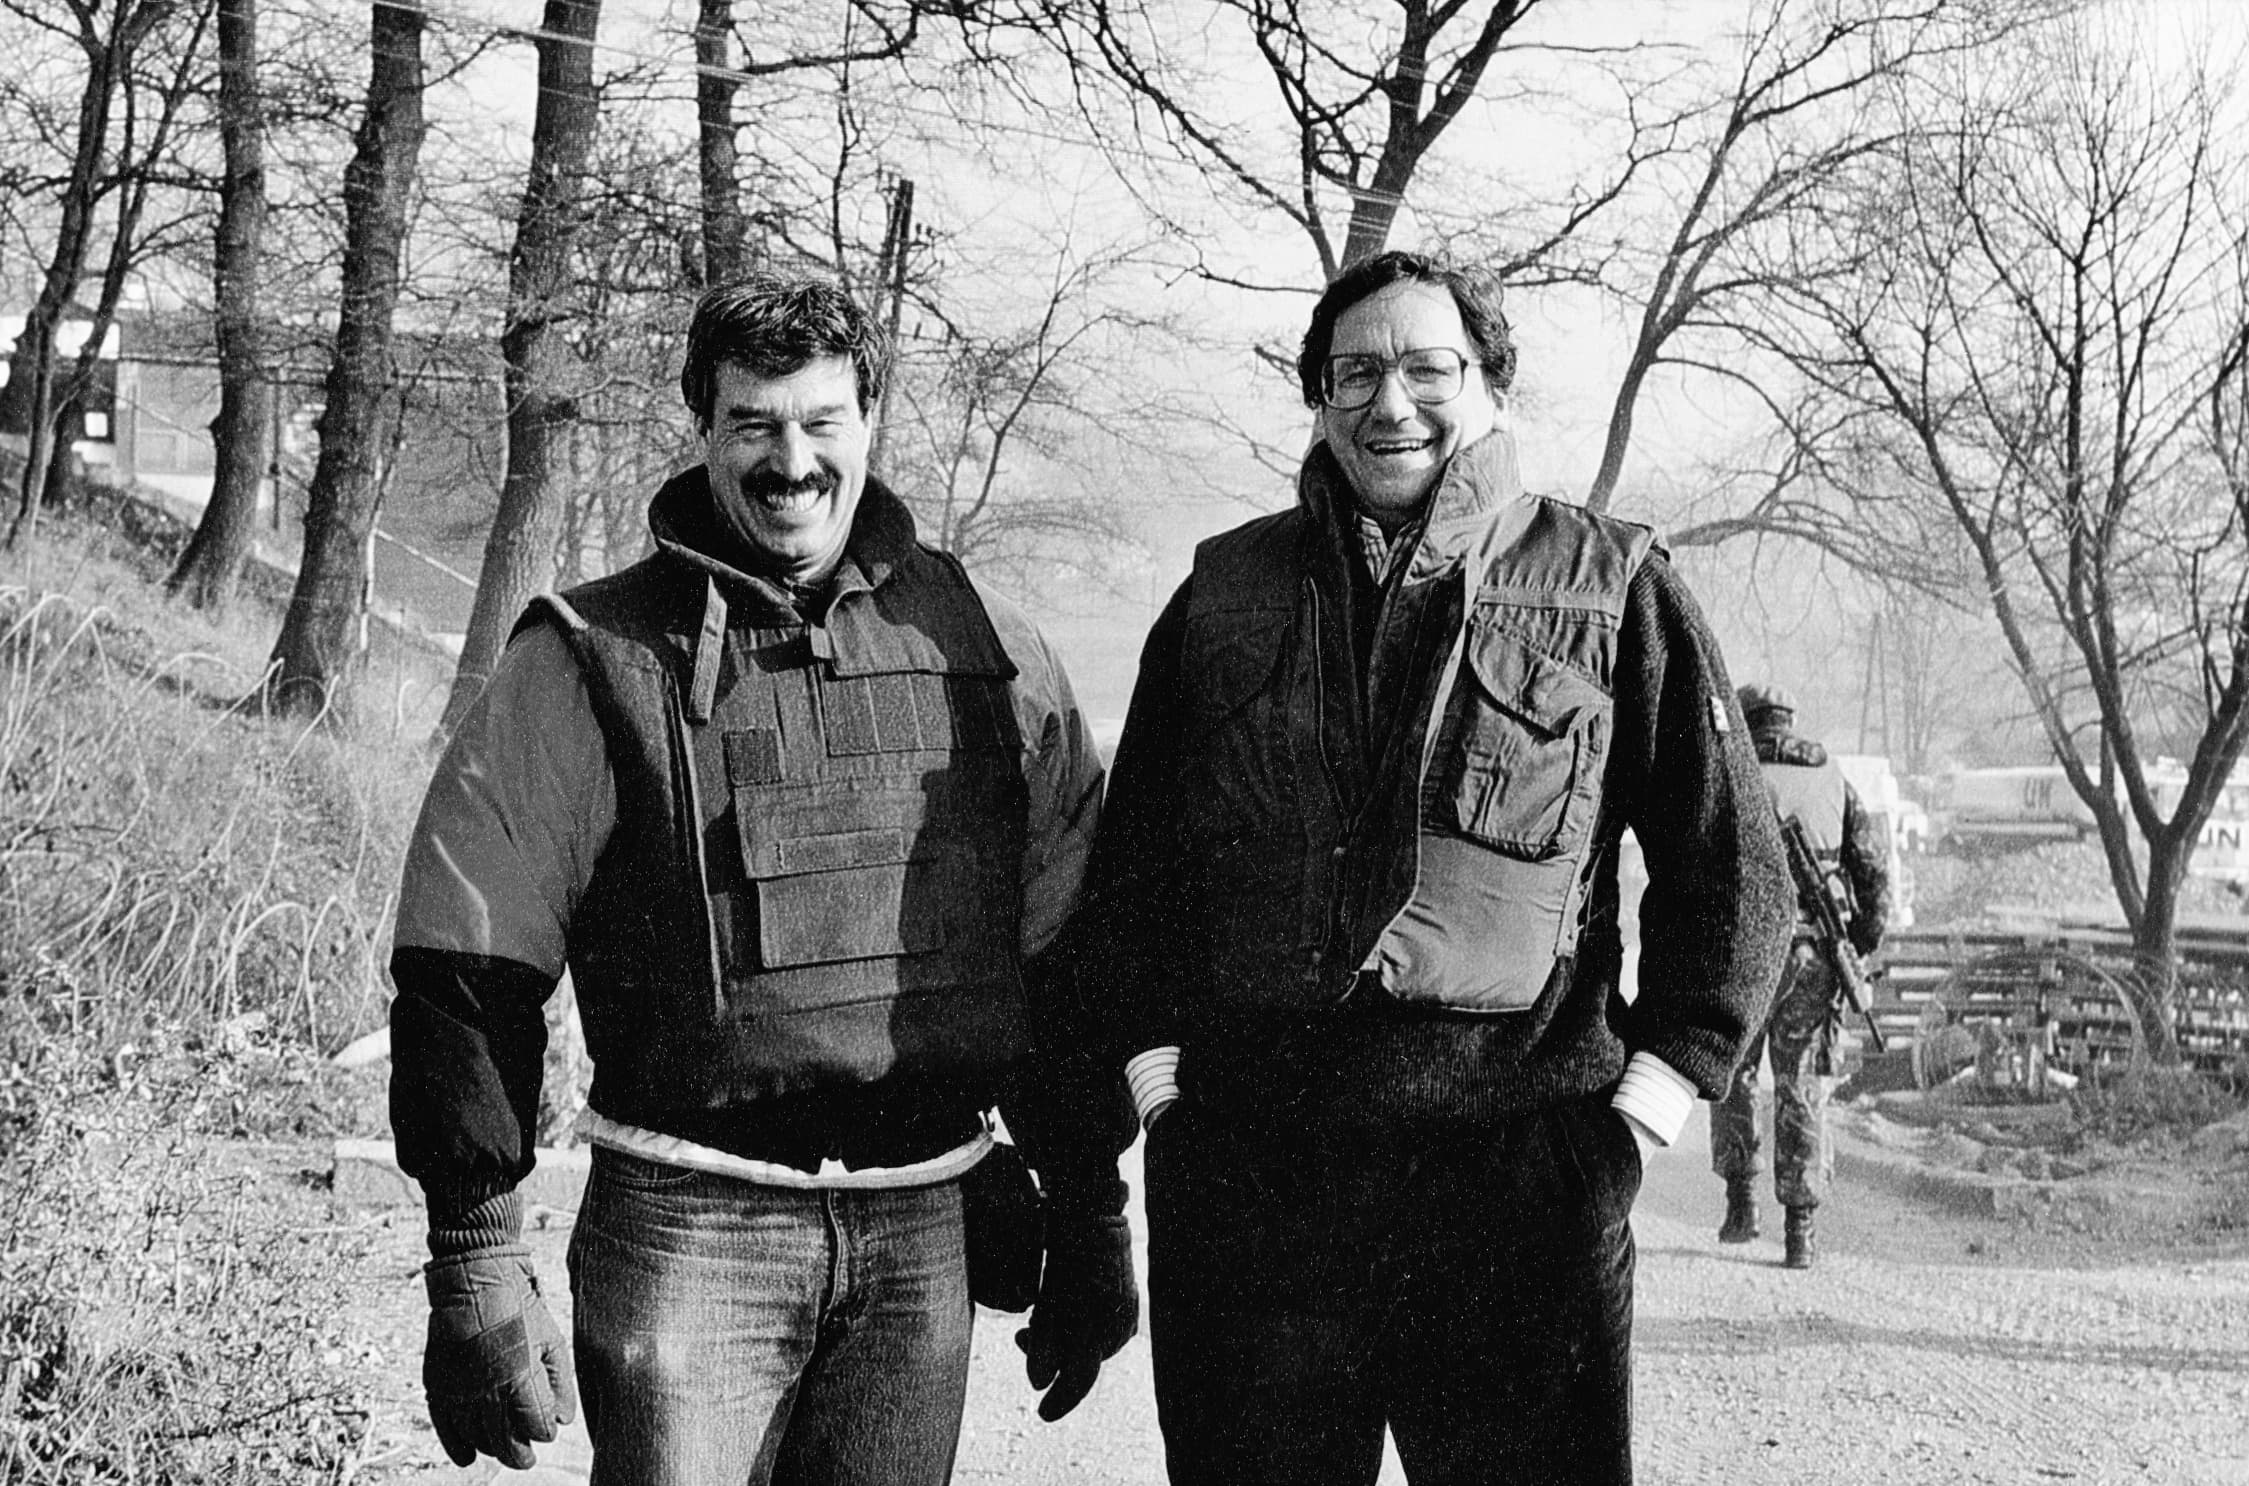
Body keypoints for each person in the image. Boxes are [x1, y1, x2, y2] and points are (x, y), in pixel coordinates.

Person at [387, 272, 1139, 1484]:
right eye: (753, 424)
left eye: (820, 421)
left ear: (870, 421)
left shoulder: (991, 648)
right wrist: (474, 1248)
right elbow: (465, 962)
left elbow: (1063, 946)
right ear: (702, 427)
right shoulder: (587, 660)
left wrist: (1089, 1203)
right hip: (690, 1234)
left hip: (918, 1231)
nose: (790, 460)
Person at [1074, 249, 1796, 1486]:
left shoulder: (1610, 585)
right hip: (1254, 1191)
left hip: (1515, 1183)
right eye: (1353, 372)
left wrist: (1628, 1132)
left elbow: (1733, 874)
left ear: (1489, 387)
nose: (1389, 404)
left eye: (1425, 368)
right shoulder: (1222, 592)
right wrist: (1164, 1105)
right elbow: (1131, 874)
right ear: (1316, 396)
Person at [1712, 683, 1891, 1269]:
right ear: (1790, 721)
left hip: (1744, 955)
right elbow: (1874, 873)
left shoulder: (1730, 770)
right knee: (1800, 1086)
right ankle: (1801, 1230)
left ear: (1748, 720)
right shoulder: (1835, 778)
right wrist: (1858, 944)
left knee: (1734, 1074)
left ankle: (1742, 1205)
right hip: (1813, 957)